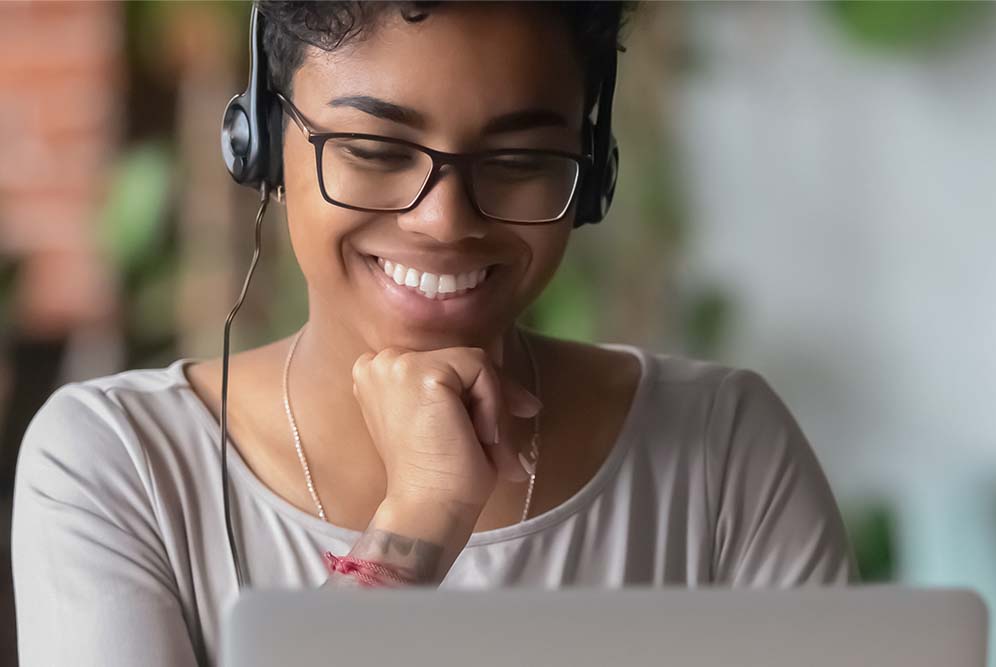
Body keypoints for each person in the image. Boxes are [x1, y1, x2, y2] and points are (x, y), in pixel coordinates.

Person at [11, 2, 858, 666]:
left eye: (521, 160)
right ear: (263, 143)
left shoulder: (724, 451)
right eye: (376, 149)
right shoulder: (116, 465)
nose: (444, 220)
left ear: (590, 171)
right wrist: (418, 520)